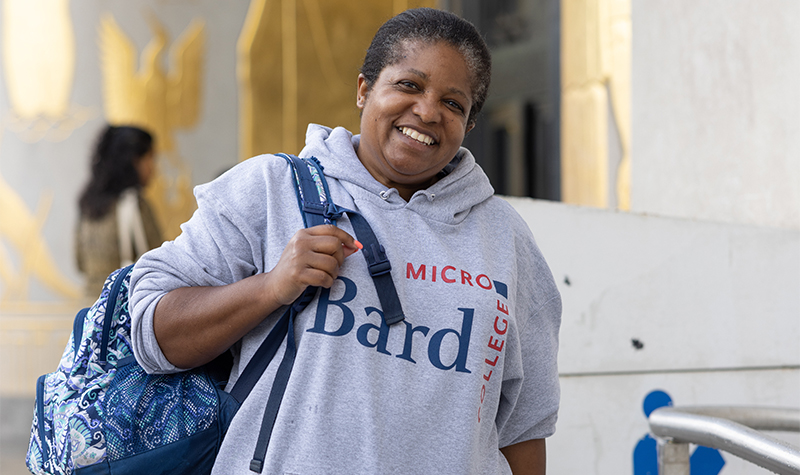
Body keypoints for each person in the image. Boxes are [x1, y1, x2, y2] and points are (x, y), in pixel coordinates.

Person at [130, 8, 561, 474]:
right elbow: (153, 336)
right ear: (364, 90)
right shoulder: (272, 190)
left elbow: (523, 428)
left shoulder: (506, 238)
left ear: (468, 126)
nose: (428, 110)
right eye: (409, 85)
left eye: (453, 104)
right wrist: (272, 287)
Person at [76, 125, 162, 297]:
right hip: (120, 313)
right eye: (150, 157)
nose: (153, 167)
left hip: (90, 310)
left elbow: (79, 262)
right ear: (133, 161)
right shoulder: (135, 205)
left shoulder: (88, 204)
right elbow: (158, 262)